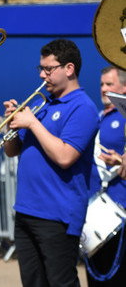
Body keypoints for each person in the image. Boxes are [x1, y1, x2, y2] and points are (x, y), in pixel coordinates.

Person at [3, 39, 99, 287]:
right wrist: (11, 124)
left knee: (61, 282)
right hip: (26, 209)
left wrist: (32, 124)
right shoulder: (40, 103)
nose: (43, 75)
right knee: (33, 282)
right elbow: (12, 151)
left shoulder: (83, 107)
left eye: (48, 69)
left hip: (57, 214)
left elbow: (65, 157)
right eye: (41, 69)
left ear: (69, 69)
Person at [86, 65, 126, 286]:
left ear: (124, 87)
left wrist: (120, 160)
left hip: (120, 215)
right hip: (94, 213)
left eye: (109, 84)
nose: (103, 89)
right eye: (102, 84)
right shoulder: (98, 117)